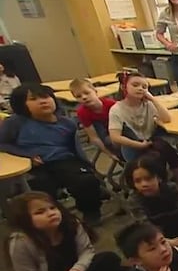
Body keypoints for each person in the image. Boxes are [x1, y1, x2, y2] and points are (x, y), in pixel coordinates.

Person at [0, 84, 107, 223]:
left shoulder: (67, 123)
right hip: (35, 165)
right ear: (21, 105)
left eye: (46, 97)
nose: (43, 101)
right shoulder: (16, 123)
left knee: (86, 181)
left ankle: (91, 212)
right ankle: (52, 217)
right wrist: (27, 155)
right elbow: (3, 144)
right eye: (34, 99)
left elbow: (76, 150)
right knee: (40, 188)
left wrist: (88, 168)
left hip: (64, 161)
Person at [108, 72, 178, 189]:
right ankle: (162, 184)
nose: (140, 89)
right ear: (124, 87)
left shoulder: (148, 104)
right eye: (135, 85)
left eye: (144, 87)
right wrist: (138, 145)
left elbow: (166, 118)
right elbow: (115, 137)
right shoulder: (116, 109)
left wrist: (153, 99)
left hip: (150, 141)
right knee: (155, 158)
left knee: (163, 148)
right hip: (132, 145)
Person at [123, 153, 178, 248]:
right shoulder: (134, 200)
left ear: (159, 177)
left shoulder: (173, 189)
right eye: (138, 181)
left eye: (148, 178)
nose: (144, 184)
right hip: (158, 240)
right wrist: (167, 242)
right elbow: (146, 228)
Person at [69, 78, 121, 162]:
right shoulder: (82, 112)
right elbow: (94, 137)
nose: (84, 97)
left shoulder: (110, 104)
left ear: (95, 91)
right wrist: (109, 154)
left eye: (87, 93)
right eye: (79, 96)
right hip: (106, 137)